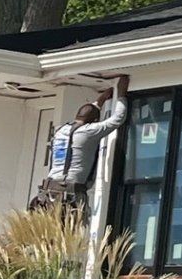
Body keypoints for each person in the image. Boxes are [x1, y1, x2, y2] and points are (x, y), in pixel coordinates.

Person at [32, 76, 130, 216]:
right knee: (72, 226)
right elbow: (118, 118)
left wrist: (100, 100)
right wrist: (121, 93)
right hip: (71, 191)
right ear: (95, 120)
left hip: (49, 189)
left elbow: (87, 113)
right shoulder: (89, 131)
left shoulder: (61, 130)